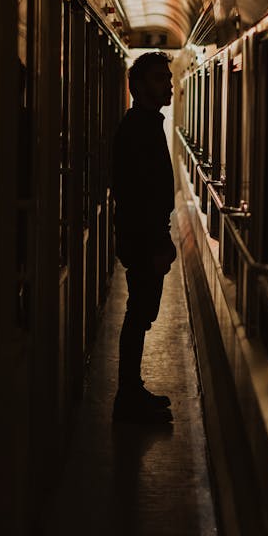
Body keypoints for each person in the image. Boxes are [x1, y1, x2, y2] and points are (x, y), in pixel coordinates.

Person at [111, 52, 177, 423]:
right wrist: (157, 243)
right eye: (158, 78)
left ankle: (131, 390)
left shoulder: (147, 123)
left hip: (145, 238)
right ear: (137, 86)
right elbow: (138, 194)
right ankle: (128, 398)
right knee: (138, 314)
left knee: (140, 314)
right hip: (143, 241)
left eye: (167, 78)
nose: (167, 84)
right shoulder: (138, 128)